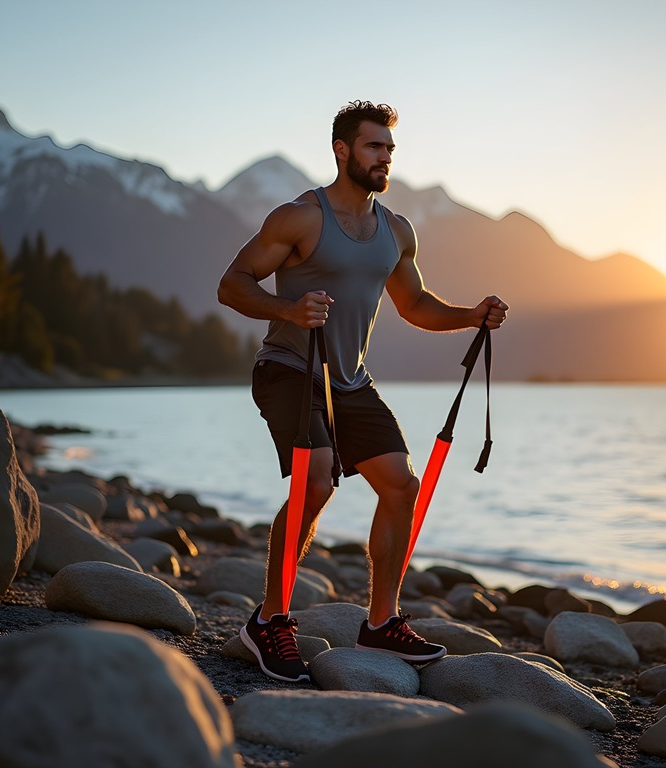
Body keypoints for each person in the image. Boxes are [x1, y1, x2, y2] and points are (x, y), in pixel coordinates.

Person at [217, 101, 508, 683]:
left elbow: (416, 305)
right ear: (342, 150)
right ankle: (269, 622)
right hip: (288, 368)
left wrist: (471, 314)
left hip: (349, 380)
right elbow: (232, 284)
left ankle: (380, 623)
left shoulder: (396, 231)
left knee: (401, 485)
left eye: (390, 149)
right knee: (317, 479)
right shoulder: (299, 217)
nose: (385, 158)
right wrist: (287, 309)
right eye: (374, 147)